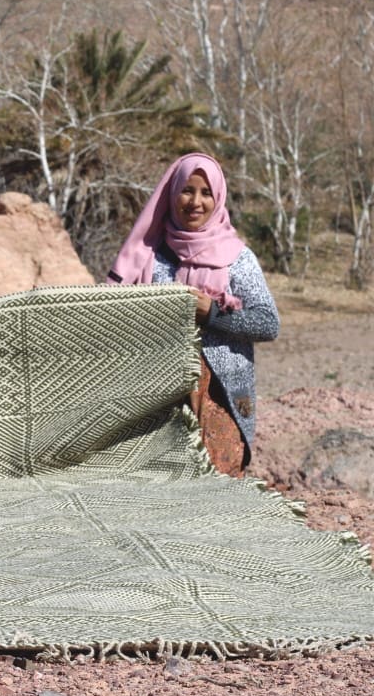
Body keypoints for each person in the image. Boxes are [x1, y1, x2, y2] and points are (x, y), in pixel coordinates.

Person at [108, 152, 279, 476]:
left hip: (221, 395)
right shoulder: (152, 258)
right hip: (161, 396)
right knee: (166, 488)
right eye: (187, 190)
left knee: (219, 484)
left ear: (218, 197)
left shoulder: (238, 259)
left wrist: (212, 313)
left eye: (206, 192)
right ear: (172, 195)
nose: (195, 202)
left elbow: (268, 323)